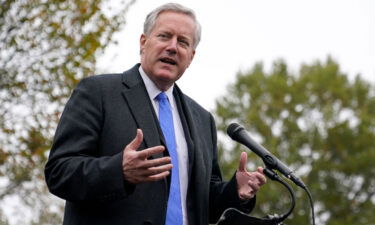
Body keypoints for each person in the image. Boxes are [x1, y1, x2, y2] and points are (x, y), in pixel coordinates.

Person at [45, 3, 266, 225]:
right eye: (164, 36)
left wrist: (234, 191)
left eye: (183, 42)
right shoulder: (98, 93)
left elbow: (202, 203)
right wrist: (118, 171)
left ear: (191, 56)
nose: (172, 47)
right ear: (143, 42)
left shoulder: (203, 120)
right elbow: (59, 172)